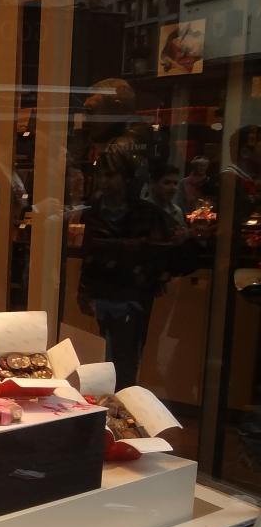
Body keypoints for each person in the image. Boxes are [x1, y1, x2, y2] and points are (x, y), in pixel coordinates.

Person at [77, 136, 173, 390]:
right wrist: (84, 292)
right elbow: (88, 257)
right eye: (101, 175)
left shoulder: (147, 213)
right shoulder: (93, 211)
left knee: (125, 365)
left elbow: (160, 254)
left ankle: (124, 407)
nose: (104, 181)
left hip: (132, 300)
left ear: (127, 178)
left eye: (111, 175)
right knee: (96, 363)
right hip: (100, 298)